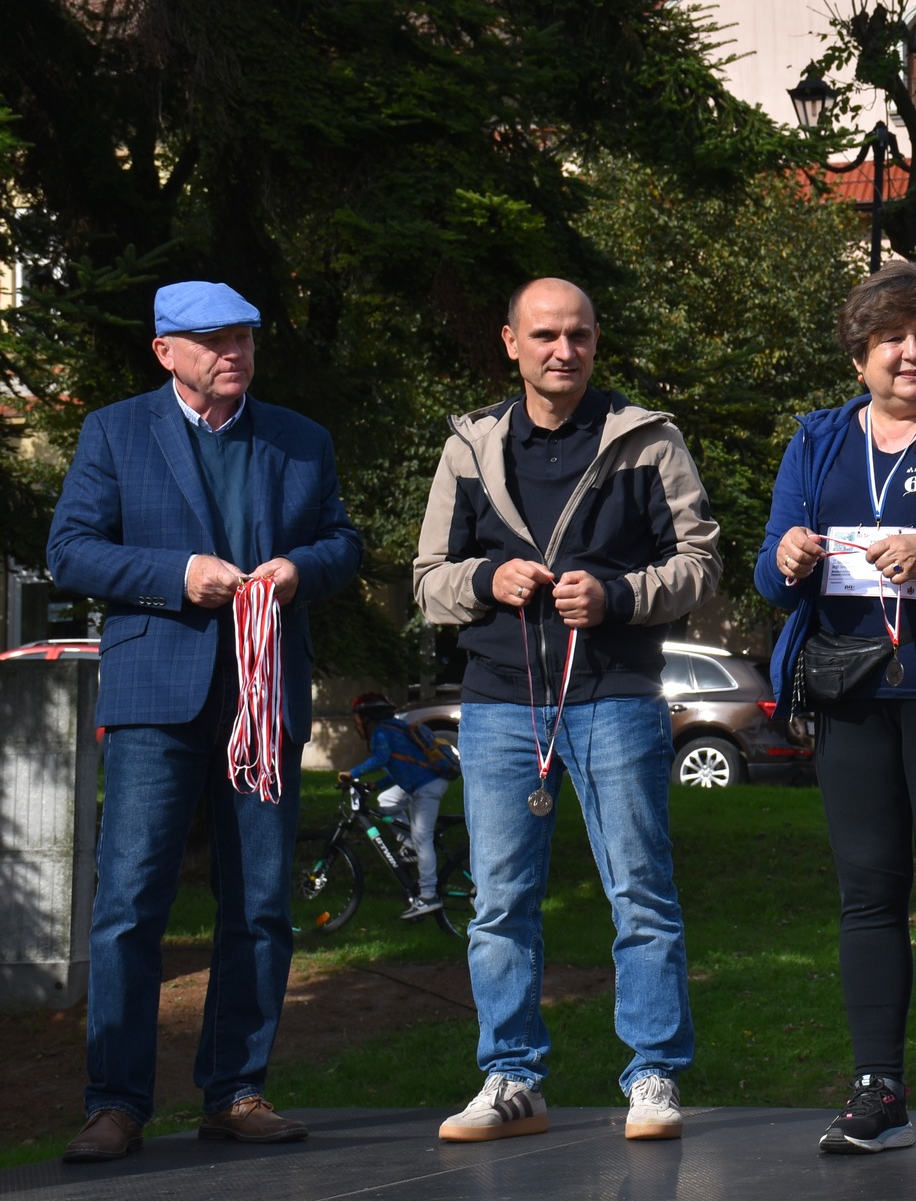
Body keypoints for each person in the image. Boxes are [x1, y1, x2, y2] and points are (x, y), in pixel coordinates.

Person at [47, 281, 363, 1163]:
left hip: (264, 699)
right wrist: (176, 572)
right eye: (214, 339)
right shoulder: (113, 431)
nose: (235, 352)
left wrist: (300, 568)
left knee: (261, 904)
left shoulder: (301, 439)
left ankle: (236, 1090)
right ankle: (115, 1102)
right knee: (130, 906)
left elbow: (344, 540)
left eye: (246, 338)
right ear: (166, 352)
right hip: (157, 700)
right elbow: (69, 547)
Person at [413, 277, 721, 1145]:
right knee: (499, 901)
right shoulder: (469, 448)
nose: (563, 349)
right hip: (501, 703)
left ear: (595, 341)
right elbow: (429, 581)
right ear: (510, 342)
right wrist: (485, 578)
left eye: (578, 334)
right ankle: (512, 1077)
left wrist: (621, 595)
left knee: (643, 894)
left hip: (616, 697)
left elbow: (702, 562)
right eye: (544, 334)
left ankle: (653, 1074)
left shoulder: (648, 439)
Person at [754, 260, 916, 1155]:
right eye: (892, 338)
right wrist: (795, 554)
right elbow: (769, 572)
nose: (911, 352)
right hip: (849, 692)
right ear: (860, 358)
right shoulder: (819, 442)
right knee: (869, 895)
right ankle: (879, 1088)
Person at [345, 692, 461, 921]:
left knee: (422, 837)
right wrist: (376, 784)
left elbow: (381, 759)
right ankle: (408, 847)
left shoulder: (381, 731)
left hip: (427, 786)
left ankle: (428, 896)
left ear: (369, 717)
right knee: (386, 801)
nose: (356, 724)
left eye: (358, 718)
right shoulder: (397, 728)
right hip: (420, 782)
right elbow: (402, 767)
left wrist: (352, 773)